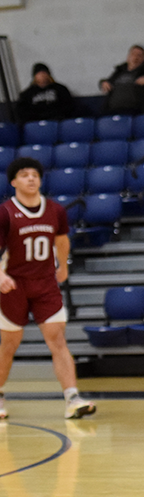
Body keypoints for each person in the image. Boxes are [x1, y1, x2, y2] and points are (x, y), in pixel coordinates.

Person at [0, 158, 96, 421]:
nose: (31, 178)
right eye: (24, 174)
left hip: (45, 284)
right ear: (13, 182)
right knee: (9, 343)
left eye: (35, 174)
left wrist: (62, 266)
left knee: (58, 340)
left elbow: (62, 239)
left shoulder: (55, 210)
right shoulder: (5, 212)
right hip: (13, 286)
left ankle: (72, 398)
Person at [99, 45, 144, 115]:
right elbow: (107, 83)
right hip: (112, 111)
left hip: (136, 111)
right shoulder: (119, 71)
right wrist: (103, 83)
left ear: (143, 59)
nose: (136, 57)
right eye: (133, 54)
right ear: (128, 57)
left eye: (139, 55)